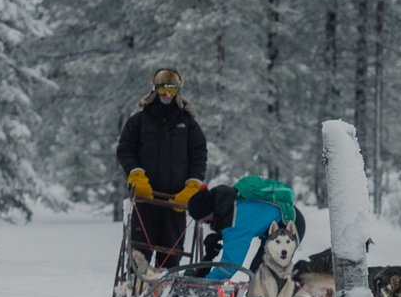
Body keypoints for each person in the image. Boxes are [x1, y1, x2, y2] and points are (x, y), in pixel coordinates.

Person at [116, 68, 208, 266]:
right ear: (154, 90)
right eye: (162, 89)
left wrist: (193, 184)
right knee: (139, 253)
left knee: (171, 255)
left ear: (177, 92)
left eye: (171, 90)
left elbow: (199, 155)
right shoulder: (138, 121)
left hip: (175, 201)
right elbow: (125, 150)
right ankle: (136, 291)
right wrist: (136, 174)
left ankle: (164, 292)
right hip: (145, 198)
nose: (166, 95)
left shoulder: (188, 123)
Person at [187, 183, 306, 281]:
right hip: (278, 223)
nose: (202, 223)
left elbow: (231, 265)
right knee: (258, 275)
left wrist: (206, 283)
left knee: (261, 276)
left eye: (203, 219)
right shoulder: (227, 202)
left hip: (289, 226)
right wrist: (218, 237)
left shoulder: (234, 221)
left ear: (208, 211)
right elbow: (249, 218)